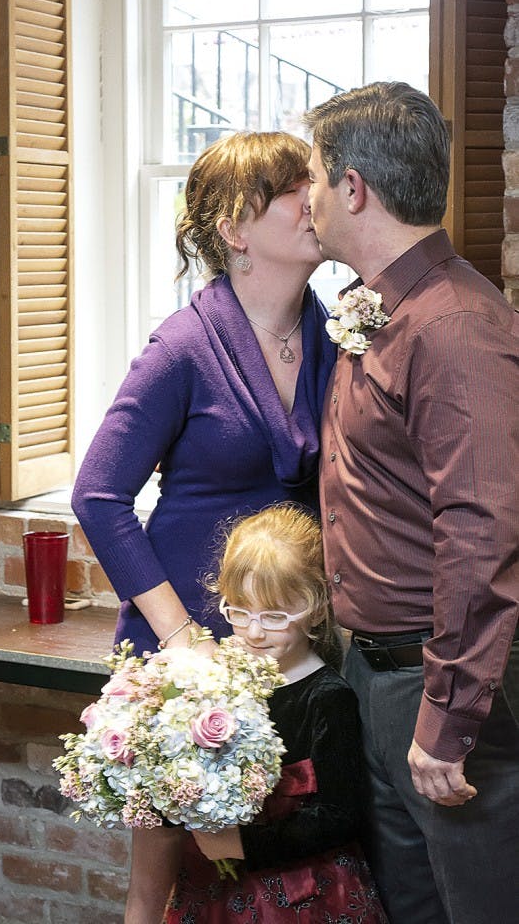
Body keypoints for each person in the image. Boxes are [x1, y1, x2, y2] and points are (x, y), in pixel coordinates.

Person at [71, 131, 336, 923]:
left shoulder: (332, 334)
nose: (313, 203)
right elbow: (97, 496)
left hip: (293, 642)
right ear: (235, 227)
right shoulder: (183, 347)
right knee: (159, 891)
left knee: (285, 866)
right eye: (294, 190)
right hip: (188, 648)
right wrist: (180, 639)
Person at [304, 81, 519, 924]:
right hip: (376, 674)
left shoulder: (452, 325)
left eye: (317, 178)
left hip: (440, 680)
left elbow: (484, 531)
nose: (310, 198)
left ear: (354, 188)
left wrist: (449, 714)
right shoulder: (380, 309)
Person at [165, 503, 387, 923]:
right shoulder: (216, 680)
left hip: (301, 892)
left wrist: (241, 844)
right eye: (239, 611)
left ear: (318, 606)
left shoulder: (328, 697)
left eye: (274, 615)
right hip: (211, 881)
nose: (252, 631)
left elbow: (341, 817)